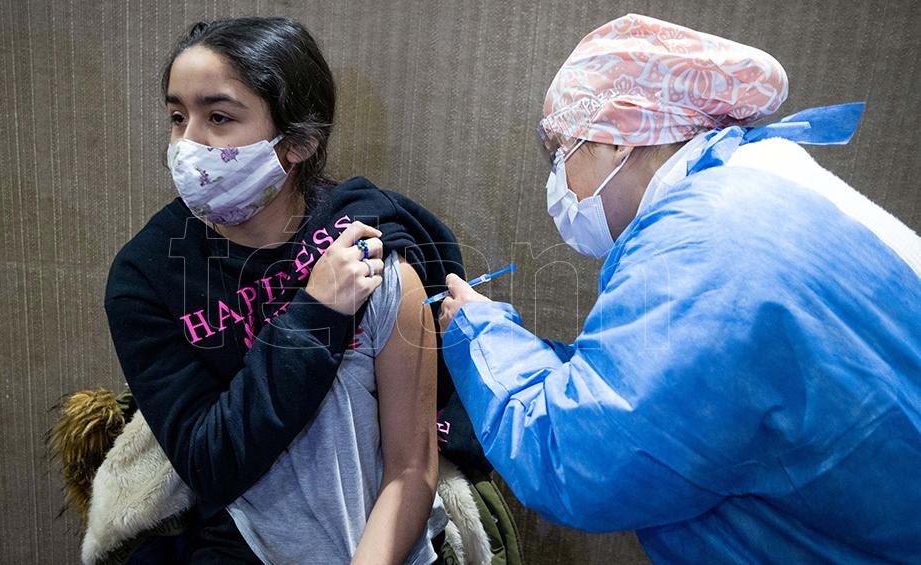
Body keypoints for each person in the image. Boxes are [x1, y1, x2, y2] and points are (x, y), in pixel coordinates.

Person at [438, 13, 921, 563]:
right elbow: (649, 391)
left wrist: (479, 333)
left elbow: (577, 458)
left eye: (561, 158)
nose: (557, 186)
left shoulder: (706, 245)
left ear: (618, 140)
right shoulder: (766, 177)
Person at [103, 17, 455, 563]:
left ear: (297, 143)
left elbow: (411, 468)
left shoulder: (371, 257)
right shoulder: (147, 278)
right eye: (177, 117)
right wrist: (313, 312)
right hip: (237, 540)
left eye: (218, 116)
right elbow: (210, 464)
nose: (187, 143)